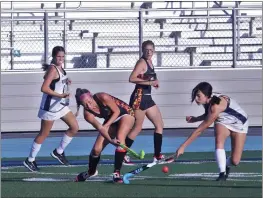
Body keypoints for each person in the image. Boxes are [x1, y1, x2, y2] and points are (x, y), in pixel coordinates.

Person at [175, 82, 249, 181]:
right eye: (196, 95)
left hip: (240, 124)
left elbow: (200, 129)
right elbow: (208, 115)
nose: (196, 99)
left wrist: (183, 146)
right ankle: (222, 174)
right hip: (223, 122)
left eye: (198, 96)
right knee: (219, 140)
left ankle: (226, 164)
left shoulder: (215, 106)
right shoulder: (208, 101)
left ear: (206, 95)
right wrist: (195, 119)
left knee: (235, 161)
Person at [23, 46, 79, 172]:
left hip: (60, 105)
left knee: (74, 127)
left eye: (63, 57)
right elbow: (44, 88)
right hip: (50, 107)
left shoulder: (58, 68)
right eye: (59, 56)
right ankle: (30, 160)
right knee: (44, 134)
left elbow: (53, 80)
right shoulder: (53, 69)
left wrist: (66, 82)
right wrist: (60, 95)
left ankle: (58, 152)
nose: (61, 59)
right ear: (54, 57)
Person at [123, 40, 173, 165]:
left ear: (154, 51)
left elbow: (146, 77)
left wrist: (154, 82)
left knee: (159, 125)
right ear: (142, 50)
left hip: (147, 97)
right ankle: (122, 154)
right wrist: (151, 83)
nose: (149, 52)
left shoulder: (150, 62)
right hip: (139, 98)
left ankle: (157, 155)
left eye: (151, 50)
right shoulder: (141, 62)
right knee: (137, 127)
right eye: (146, 50)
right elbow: (132, 78)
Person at [74, 88, 135, 183]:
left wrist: (106, 125)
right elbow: (100, 128)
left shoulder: (102, 97)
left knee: (120, 137)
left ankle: (116, 173)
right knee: (96, 150)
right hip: (111, 119)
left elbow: (117, 112)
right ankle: (91, 172)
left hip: (125, 113)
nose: (89, 105)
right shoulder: (87, 115)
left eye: (89, 101)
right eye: (85, 104)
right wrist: (110, 140)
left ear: (92, 97)